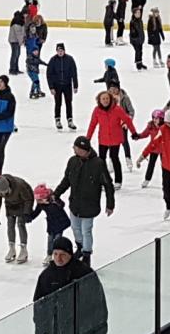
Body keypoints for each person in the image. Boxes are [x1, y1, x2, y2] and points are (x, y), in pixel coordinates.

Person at [32, 236, 108, 334]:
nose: (58, 258)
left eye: (62, 254)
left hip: (83, 332)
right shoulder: (46, 277)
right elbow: (40, 309)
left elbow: (98, 304)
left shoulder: (84, 273)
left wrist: (100, 333)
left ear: (70, 254)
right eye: (55, 254)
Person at [54, 135, 115, 267]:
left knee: (86, 230)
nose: (74, 150)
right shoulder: (73, 161)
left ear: (84, 149)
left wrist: (110, 204)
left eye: (76, 148)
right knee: (75, 228)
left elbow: (108, 184)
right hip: (75, 204)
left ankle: (87, 253)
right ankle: (80, 247)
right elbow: (67, 180)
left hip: (90, 205)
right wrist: (57, 193)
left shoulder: (98, 164)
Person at [87, 90, 137, 190]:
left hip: (115, 138)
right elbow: (93, 124)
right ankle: (104, 180)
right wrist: (88, 138)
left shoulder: (117, 109)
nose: (105, 101)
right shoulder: (97, 110)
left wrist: (133, 132)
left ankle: (118, 181)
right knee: (101, 160)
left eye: (107, 98)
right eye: (103, 99)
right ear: (99, 100)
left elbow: (127, 120)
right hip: (103, 139)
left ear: (110, 99)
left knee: (114, 158)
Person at [0, 174, 35, 264]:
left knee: (20, 224)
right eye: (2, 193)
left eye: (6, 192)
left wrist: (27, 212)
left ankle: (24, 249)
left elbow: (28, 199)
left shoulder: (20, 185)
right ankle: (11, 248)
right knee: (10, 224)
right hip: (10, 204)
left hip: (22, 203)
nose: (3, 194)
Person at [27, 183, 71, 266]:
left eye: (40, 199)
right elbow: (36, 212)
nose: (39, 202)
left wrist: (56, 201)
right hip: (51, 223)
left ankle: (58, 255)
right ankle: (49, 254)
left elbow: (62, 205)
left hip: (60, 222)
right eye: (37, 200)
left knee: (57, 239)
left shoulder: (54, 200)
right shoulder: (41, 204)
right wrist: (30, 217)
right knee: (50, 239)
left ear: (45, 197)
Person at [46, 43, 78, 131]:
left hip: (67, 85)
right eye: (58, 51)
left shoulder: (70, 59)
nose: (60, 52)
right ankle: (57, 119)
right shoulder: (53, 60)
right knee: (58, 103)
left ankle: (70, 120)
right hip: (57, 86)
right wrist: (51, 87)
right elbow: (49, 75)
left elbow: (74, 73)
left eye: (61, 51)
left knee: (68, 102)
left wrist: (75, 85)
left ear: (64, 51)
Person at [131, 109, 165, 188]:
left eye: (157, 118)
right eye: (154, 118)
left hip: (164, 150)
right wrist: (138, 136)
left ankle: (165, 182)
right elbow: (145, 134)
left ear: (162, 119)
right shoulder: (151, 126)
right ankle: (147, 179)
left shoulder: (165, 128)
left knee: (164, 167)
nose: (154, 120)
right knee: (151, 165)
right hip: (154, 149)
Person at [108, 84, 136, 172]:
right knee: (111, 143)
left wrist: (127, 122)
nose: (112, 91)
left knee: (124, 141)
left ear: (118, 89)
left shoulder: (125, 98)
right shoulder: (108, 98)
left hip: (123, 123)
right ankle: (111, 162)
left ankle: (128, 159)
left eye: (114, 89)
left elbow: (131, 111)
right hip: (112, 124)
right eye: (110, 89)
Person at [128, 7, 146, 71]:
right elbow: (133, 32)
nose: (139, 14)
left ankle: (140, 63)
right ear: (134, 14)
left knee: (140, 51)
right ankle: (138, 64)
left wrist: (142, 37)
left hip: (140, 39)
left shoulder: (140, 20)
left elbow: (141, 30)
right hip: (135, 40)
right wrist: (135, 38)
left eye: (139, 12)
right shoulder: (133, 21)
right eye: (137, 13)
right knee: (138, 51)